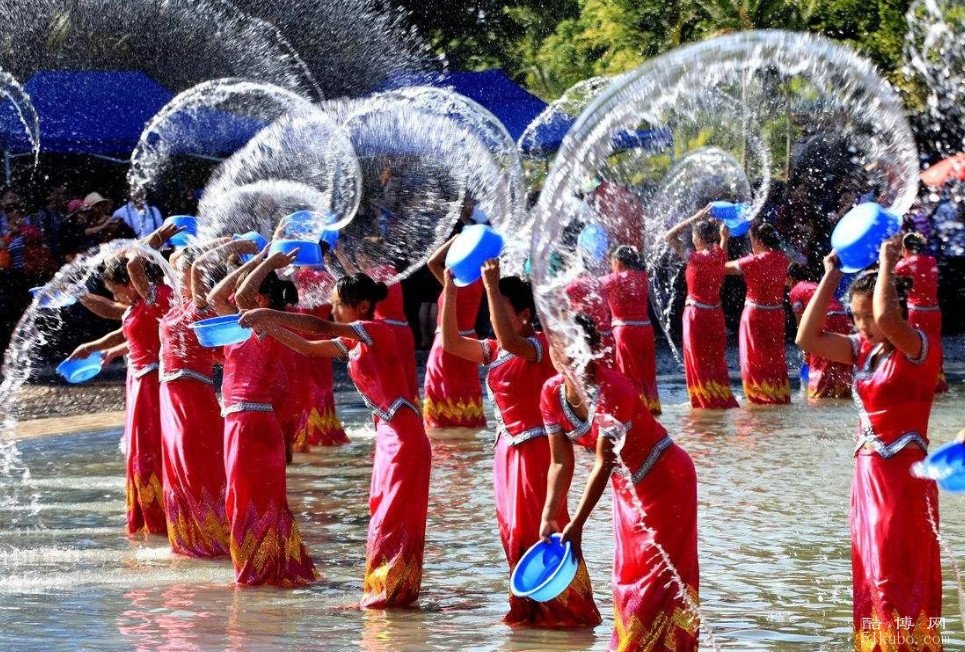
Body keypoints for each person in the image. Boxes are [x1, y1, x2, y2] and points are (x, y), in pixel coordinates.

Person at [240, 273, 431, 607]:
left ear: (361, 306)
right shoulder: (352, 342)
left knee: (393, 516)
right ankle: (382, 591)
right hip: (389, 438)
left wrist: (268, 315)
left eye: (339, 305)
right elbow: (307, 346)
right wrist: (266, 327)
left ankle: (389, 594)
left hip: (404, 440)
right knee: (381, 514)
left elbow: (319, 328)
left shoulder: (375, 330)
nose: (334, 310)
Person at [796, 241, 943, 649]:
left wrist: (885, 264)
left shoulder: (918, 347)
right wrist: (831, 275)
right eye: (855, 317)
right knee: (872, 570)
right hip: (867, 476)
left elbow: (887, 317)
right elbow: (807, 338)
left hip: (905, 479)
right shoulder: (860, 349)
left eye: (868, 317)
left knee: (898, 573)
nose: (863, 324)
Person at [439, 260, 601, 628]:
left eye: (499, 306)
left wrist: (491, 284)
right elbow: (449, 341)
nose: (492, 314)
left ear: (525, 314)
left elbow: (511, 339)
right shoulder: (494, 351)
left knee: (540, 527)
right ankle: (527, 609)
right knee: (512, 531)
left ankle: (567, 612)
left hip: (536, 452)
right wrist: (450, 288)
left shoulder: (539, 345)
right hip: (505, 454)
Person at [540, 314, 700, 650]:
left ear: (593, 350)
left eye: (574, 350)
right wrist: (549, 515)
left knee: (659, 577)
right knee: (628, 575)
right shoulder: (551, 394)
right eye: (559, 349)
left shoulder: (614, 390)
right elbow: (559, 462)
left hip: (667, 479)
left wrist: (578, 524)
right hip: (627, 489)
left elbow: (603, 462)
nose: (566, 358)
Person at [206, 248, 318, 587]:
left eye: (247, 290)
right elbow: (215, 296)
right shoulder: (243, 326)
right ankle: (263, 569)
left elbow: (236, 295)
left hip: (251, 424)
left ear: (262, 297)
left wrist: (268, 262)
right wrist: (258, 262)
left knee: (247, 499)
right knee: (244, 498)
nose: (236, 297)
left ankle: (256, 574)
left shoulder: (264, 323)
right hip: (242, 422)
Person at [70, 242, 175, 536]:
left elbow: (132, 269)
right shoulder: (138, 306)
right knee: (138, 448)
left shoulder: (157, 298)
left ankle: (160, 518)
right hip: (138, 378)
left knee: (148, 447)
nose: (115, 297)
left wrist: (129, 251)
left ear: (131, 284)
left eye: (117, 290)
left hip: (153, 382)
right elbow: (126, 329)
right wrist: (99, 349)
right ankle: (148, 516)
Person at [154, 240, 235, 558]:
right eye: (177, 272)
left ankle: (213, 538)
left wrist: (222, 245)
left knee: (195, 463)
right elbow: (148, 262)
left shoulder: (201, 307)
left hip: (193, 395)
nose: (181, 278)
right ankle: (187, 540)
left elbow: (200, 266)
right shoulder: (175, 309)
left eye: (186, 273)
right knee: (176, 464)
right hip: (169, 395)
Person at [665, 208, 739, 409]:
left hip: (696, 315)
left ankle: (703, 403)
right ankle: (718, 398)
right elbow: (723, 242)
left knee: (698, 360)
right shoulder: (719, 255)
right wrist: (724, 234)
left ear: (697, 238)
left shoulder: (694, 258)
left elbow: (669, 236)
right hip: (715, 314)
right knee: (715, 359)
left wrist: (694, 218)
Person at [422, 236, 486, 429]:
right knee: (465, 392)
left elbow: (431, 262)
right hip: (468, 342)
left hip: (446, 342)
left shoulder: (453, 282)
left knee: (440, 392)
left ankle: (442, 435)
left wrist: (456, 239)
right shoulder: (479, 280)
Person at [725, 222, 791, 405]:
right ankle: (778, 396)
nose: (751, 244)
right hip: (776, 315)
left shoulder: (752, 261)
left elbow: (721, 267)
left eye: (752, 240)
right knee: (775, 359)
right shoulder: (783, 258)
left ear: (759, 241)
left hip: (755, 316)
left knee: (753, 359)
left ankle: (758, 400)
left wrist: (724, 241)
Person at [291, 265, 348, 448]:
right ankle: (324, 433)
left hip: (300, 342)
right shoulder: (328, 276)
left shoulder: (298, 276)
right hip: (322, 340)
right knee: (322, 387)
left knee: (304, 388)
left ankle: (305, 434)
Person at [599, 245, 662, 414]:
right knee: (647, 373)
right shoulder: (643, 277)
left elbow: (587, 287)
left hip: (624, 331)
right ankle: (652, 409)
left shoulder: (613, 279)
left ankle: (632, 411)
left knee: (627, 373)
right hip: (646, 330)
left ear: (618, 262)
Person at [787, 263, 852, 399]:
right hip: (843, 318)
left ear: (791, 278)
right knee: (839, 359)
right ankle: (842, 393)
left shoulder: (796, 290)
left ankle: (818, 398)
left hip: (827, 319)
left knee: (819, 359)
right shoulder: (814, 286)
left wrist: (806, 349)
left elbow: (802, 323)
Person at [896, 232, 948, 393]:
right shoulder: (932, 260)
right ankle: (937, 381)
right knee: (935, 344)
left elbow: (892, 274)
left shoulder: (905, 263)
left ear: (905, 248)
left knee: (915, 344)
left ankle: (916, 379)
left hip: (916, 312)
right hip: (934, 311)